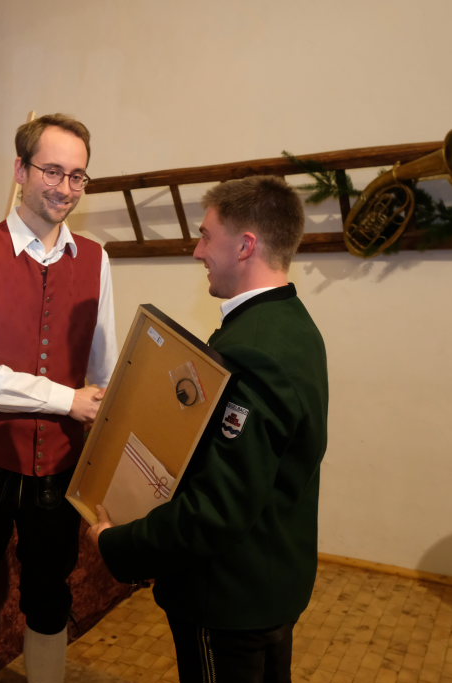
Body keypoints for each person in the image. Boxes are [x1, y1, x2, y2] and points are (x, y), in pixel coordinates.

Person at [89, 175, 328, 683]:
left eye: (205, 236)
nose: (198, 251)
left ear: (245, 245)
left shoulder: (253, 348)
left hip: (229, 596)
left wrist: (119, 544)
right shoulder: (292, 323)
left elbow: (216, 510)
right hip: (270, 580)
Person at [0, 114, 117, 683]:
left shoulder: (97, 259)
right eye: (52, 171)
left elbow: (103, 369)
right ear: (20, 170)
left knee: (49, 590)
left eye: (77, 175)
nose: (65, 187)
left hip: (59, 463)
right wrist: (67, 400)